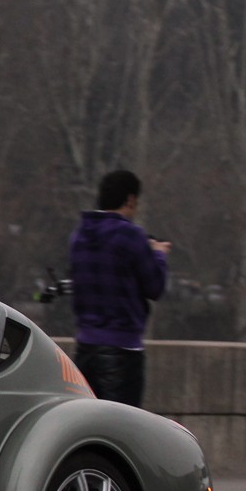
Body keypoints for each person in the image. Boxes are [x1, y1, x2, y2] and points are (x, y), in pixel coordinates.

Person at [68, 169, 171, 407]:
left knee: (89, 430)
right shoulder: (130, 235)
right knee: (121, 434)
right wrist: (159, 255)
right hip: (122, 352)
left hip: (84, 349)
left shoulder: (79, 236)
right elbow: (155, 286)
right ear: (131, 199)